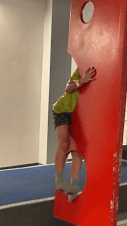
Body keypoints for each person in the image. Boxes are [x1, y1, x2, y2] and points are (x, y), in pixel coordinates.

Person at [53, 66, 96, 201]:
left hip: (80, 114)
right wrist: (83, 80)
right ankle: (59, 180)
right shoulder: (83, 68)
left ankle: (73, 187)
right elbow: (68, 88)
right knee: (64, 142)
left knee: (77, 150)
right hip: (64, 109)